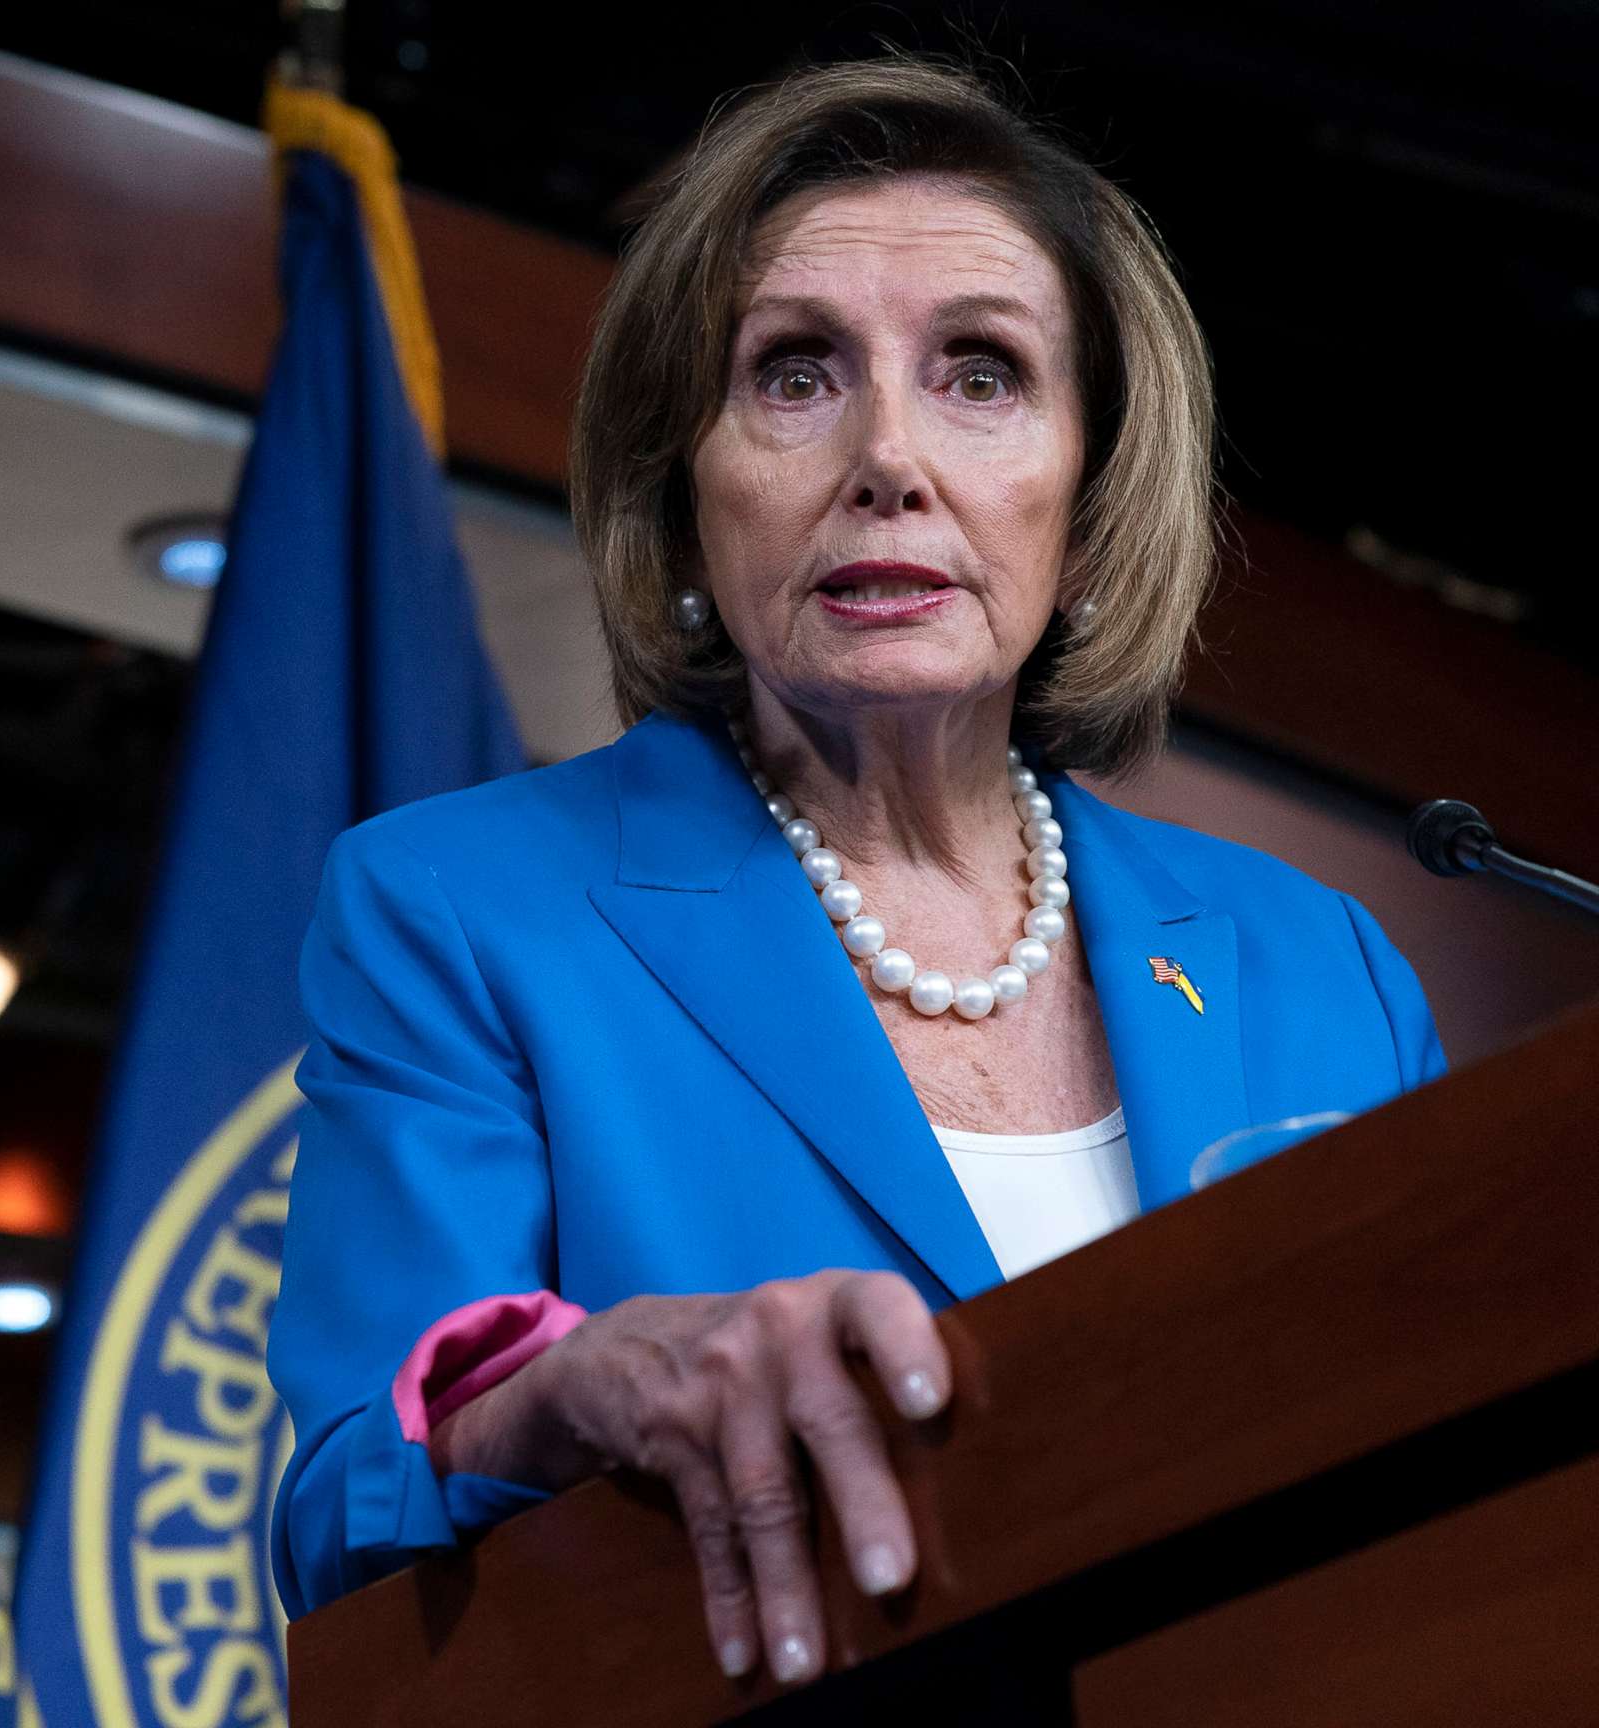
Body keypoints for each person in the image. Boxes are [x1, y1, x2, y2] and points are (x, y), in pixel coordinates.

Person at [265, 55, 1445, 1690]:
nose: (890, 455)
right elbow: (343, 1517)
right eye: (796, 373)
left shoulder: (1324, 969)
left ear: (1089, 505)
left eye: (981, 373)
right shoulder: (459, 913)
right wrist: (571, 1379)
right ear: (683, 502)